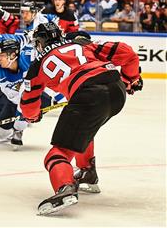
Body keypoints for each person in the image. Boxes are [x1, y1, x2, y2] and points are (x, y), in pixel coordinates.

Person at [20, 22, 142, 215]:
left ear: (40, 42)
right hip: (116, 90)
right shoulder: (82, 43)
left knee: (57, 154)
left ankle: (65, 188)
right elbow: (127, 53)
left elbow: (28, 105)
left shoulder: (37, 66)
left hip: (89, 96)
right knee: (84, 130)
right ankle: (87, 172)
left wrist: (33, 116)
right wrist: (130, 79)